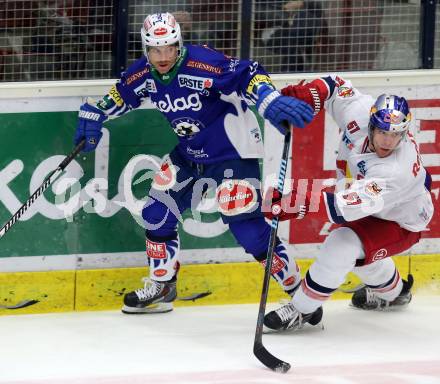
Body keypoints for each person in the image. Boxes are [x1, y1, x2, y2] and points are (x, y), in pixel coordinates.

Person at [73, 12, 314, 314]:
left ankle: (301, 296)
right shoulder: (144, 74)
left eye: (169, 48)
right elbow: (121, 94)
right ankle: (162, 286)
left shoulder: (203, 63)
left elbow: (248, 74)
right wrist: (95, 114)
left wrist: (269, 99)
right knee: (156, 212)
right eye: (155, 50)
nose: (163, 57)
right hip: (189, 155)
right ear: (145, 49)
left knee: (248, 231)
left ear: (179, 44)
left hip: (233, 154)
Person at [262, 75, 434, 331]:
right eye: (382, 132)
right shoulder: (360, 113)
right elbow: (338, 86)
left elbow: (341, 209)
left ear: (404, 132)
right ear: (372, 125)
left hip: (401, 219)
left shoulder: (396, 170)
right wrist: (310, 93)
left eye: (395, 134)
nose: (388, 141)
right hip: (371, 200)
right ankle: (395, 292)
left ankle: (302, 310)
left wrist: (295, 202)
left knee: (342, 245)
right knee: (361, 255)